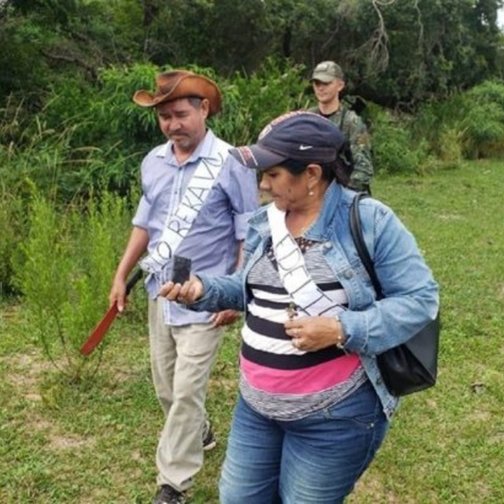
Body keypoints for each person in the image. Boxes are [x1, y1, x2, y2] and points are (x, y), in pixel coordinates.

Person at [160, 111, 439, 503]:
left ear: (311, 174)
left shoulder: (370, 220)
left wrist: (342, 329)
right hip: (256, 409)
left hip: (335, 417)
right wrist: (202, 288)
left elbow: (420, 300)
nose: (263, 184)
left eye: (273, 175)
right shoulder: (265, 223)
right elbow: (249, 291)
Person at [109, 69, 258, 504]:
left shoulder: (232, 163)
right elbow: (145, 225)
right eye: (164, 117)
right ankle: (201, 430)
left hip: (206, 298)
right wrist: (121, 275)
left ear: (203, 109)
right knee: (167, 388)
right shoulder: (153, 162)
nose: (173, 125)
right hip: (162, 293)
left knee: (188, 388)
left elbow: (248, 236)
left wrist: (235, 292)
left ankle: (173, 484)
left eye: (180, 114)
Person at [309, 60, 374, 193]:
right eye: (317, 83)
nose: (321, 88)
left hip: (344, 193)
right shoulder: (306, 118)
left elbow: (364, 168)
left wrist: (341, 194)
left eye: (326, 83)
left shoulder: (352, 122)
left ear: (340, 85)